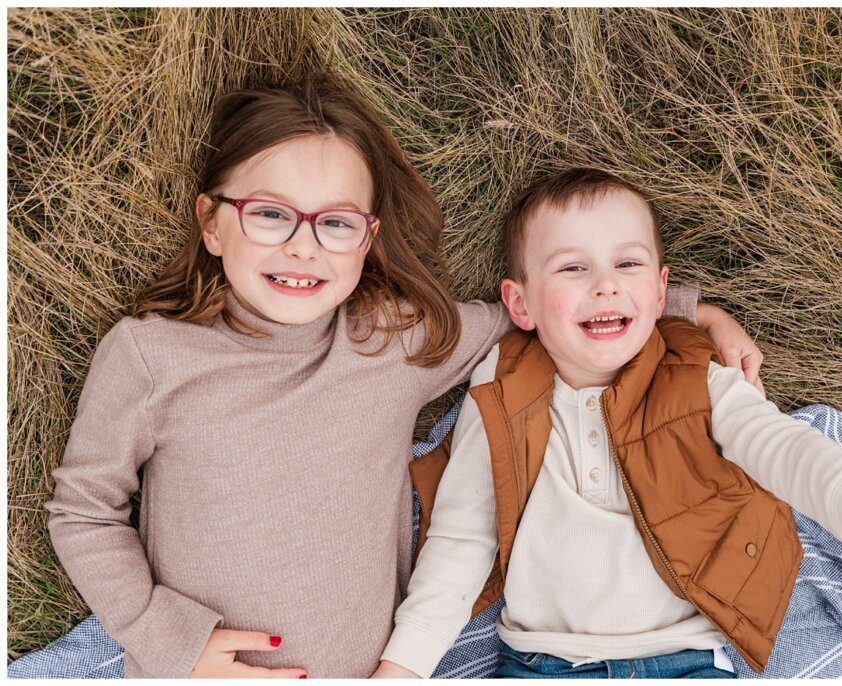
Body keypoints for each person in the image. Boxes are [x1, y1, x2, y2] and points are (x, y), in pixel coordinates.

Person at [43, 83, 761, 679]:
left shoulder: (388, 339)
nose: (302, 245)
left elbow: (544, 309)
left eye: (336, 224)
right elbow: (83, 511)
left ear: (368, 239)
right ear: (211, 222)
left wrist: (693, 309)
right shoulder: (151, 355)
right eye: (269, 214)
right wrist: (168, 638)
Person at [372, 168, 842, 679]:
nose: (605, 287)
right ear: (521, 304)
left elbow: (792, 454)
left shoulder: (694, 374)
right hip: (545, 664)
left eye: (628, 265)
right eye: (572, 268)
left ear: (659, 290)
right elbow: (460, 542)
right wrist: (400, 673)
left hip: (691, 661)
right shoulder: (499, 391)